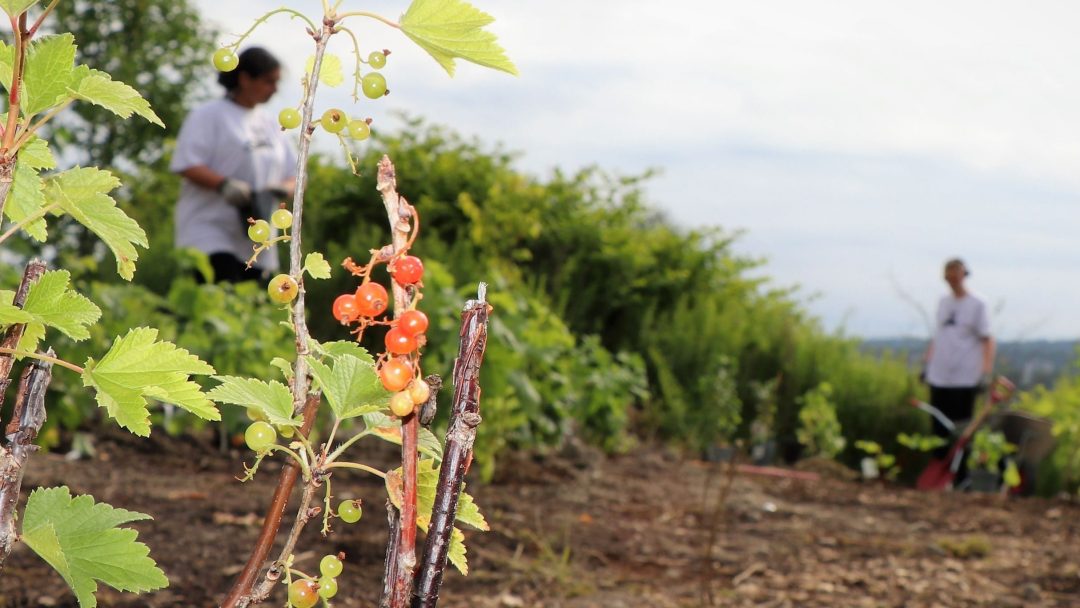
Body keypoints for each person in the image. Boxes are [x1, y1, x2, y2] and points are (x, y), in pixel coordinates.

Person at [170, 47, 296, 284]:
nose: (274, 90)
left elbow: (295, 175)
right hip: (210, 231)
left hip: (257, 241)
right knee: (219, 298)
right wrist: (223, 185)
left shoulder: (270, 124)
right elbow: (186, 162)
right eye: (269, 82)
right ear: (245, 78)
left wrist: (282, 189)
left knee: (249, 309)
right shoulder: (209, 115)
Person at [922, 258, 996, 450]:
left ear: (964, 274)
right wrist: (928, 365)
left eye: (956, 273)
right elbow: (939, 335)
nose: (952, 278)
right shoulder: (943, 302)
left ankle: (960, 475)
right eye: (948, 273)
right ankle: (938, 473)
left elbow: (987, 339)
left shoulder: (978, 303)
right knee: (938, 430)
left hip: (965, 378)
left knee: (962, 430)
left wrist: (985, 373)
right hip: (939, 376)